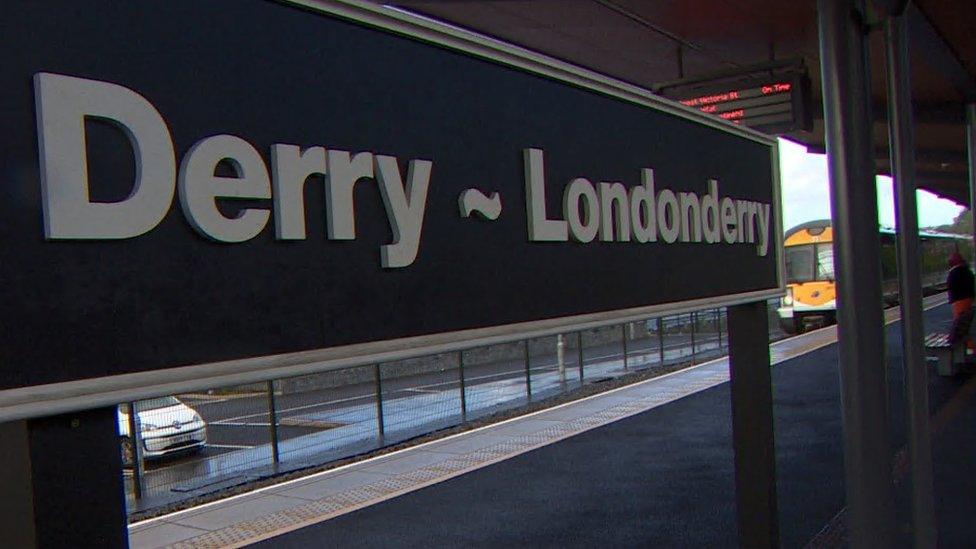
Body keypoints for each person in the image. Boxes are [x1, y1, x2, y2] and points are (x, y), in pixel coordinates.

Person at [946, 251, 975, 352]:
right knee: (963, 326)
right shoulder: (966, 271)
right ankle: (969, 349)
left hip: (960, 301)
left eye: (950, 259)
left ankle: (969, 351)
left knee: (961, 326)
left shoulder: (957, 272)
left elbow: (952, 287)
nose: (948, 261)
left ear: (954, 261)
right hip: (965, 300)